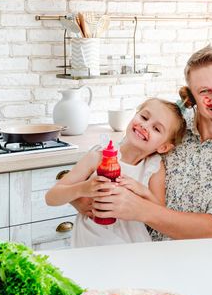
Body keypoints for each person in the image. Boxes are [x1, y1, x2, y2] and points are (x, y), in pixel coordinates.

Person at [71, 45, 212, 241]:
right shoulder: (168, 126)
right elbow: (118, 160)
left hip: (199, 260)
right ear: (192, 96)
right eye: (204, 91)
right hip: (137, 250)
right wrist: (78, 198)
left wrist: (142, 210)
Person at [45, 98, 186, 247]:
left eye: (156, 129)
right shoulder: (98, 156)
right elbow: (52, 197)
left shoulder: (154, 167)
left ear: (163, 147)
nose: (145, 125)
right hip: (91, 239)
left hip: (130, 242)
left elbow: (159, 212)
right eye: (144, 117)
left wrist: (141, 190)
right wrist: (83, 189)